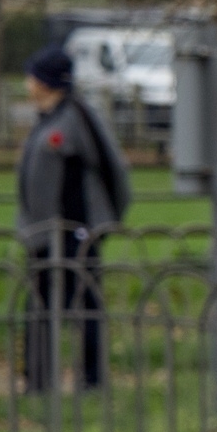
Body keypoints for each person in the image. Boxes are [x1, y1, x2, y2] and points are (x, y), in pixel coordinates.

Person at [17, 46, 132, 392]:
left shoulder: (78, 117)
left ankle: (92, 381)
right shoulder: (46, 119)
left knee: (83, 306)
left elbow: (114, 169)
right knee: (40, 307)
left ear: (48, 82)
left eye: (33, 76)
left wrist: (102, 223)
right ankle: (39, 380)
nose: (27, 82)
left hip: (74, 233)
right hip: (43, 235)